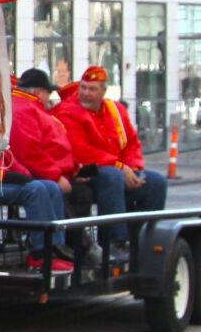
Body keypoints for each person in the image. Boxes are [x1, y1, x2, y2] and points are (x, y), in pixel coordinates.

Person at [0, 68, 78, 272]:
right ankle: (41, 254)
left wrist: (24, 175)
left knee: (49, 187)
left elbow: (7, 156)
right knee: (36, 189)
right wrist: (13, 176)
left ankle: (55, 247)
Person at [54, 65, 166, 242]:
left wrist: (133, 168)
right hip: (86, 170)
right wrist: (120, 167)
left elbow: (132, 143)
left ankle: (144, 240)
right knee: (113, 177)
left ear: (103, 91)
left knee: (157, 182)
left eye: (92, 89)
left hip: (118, 169)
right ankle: (114, 242)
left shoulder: (116, 110)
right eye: (83, 87)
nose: (86, 93)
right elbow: (81, 151)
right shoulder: (68, 111)